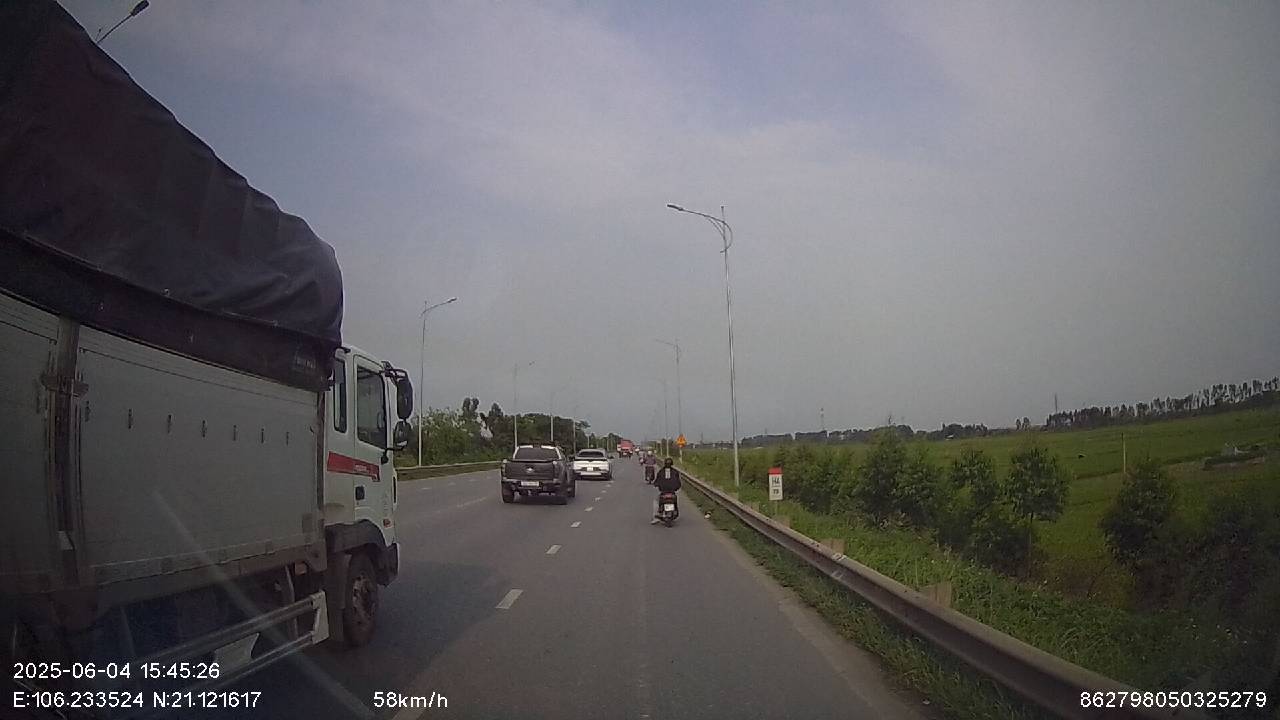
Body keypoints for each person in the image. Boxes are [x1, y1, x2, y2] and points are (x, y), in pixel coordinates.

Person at [650, 457, 681, 524]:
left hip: (664, 492)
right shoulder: (675, 472)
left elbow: (657, 481)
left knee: (656, 501)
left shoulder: (661, 472)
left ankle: (656, 517)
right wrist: (676, 487)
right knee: (675, 500)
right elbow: (678, 483)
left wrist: (656, 484)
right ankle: (673, 511)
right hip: (672, 492)